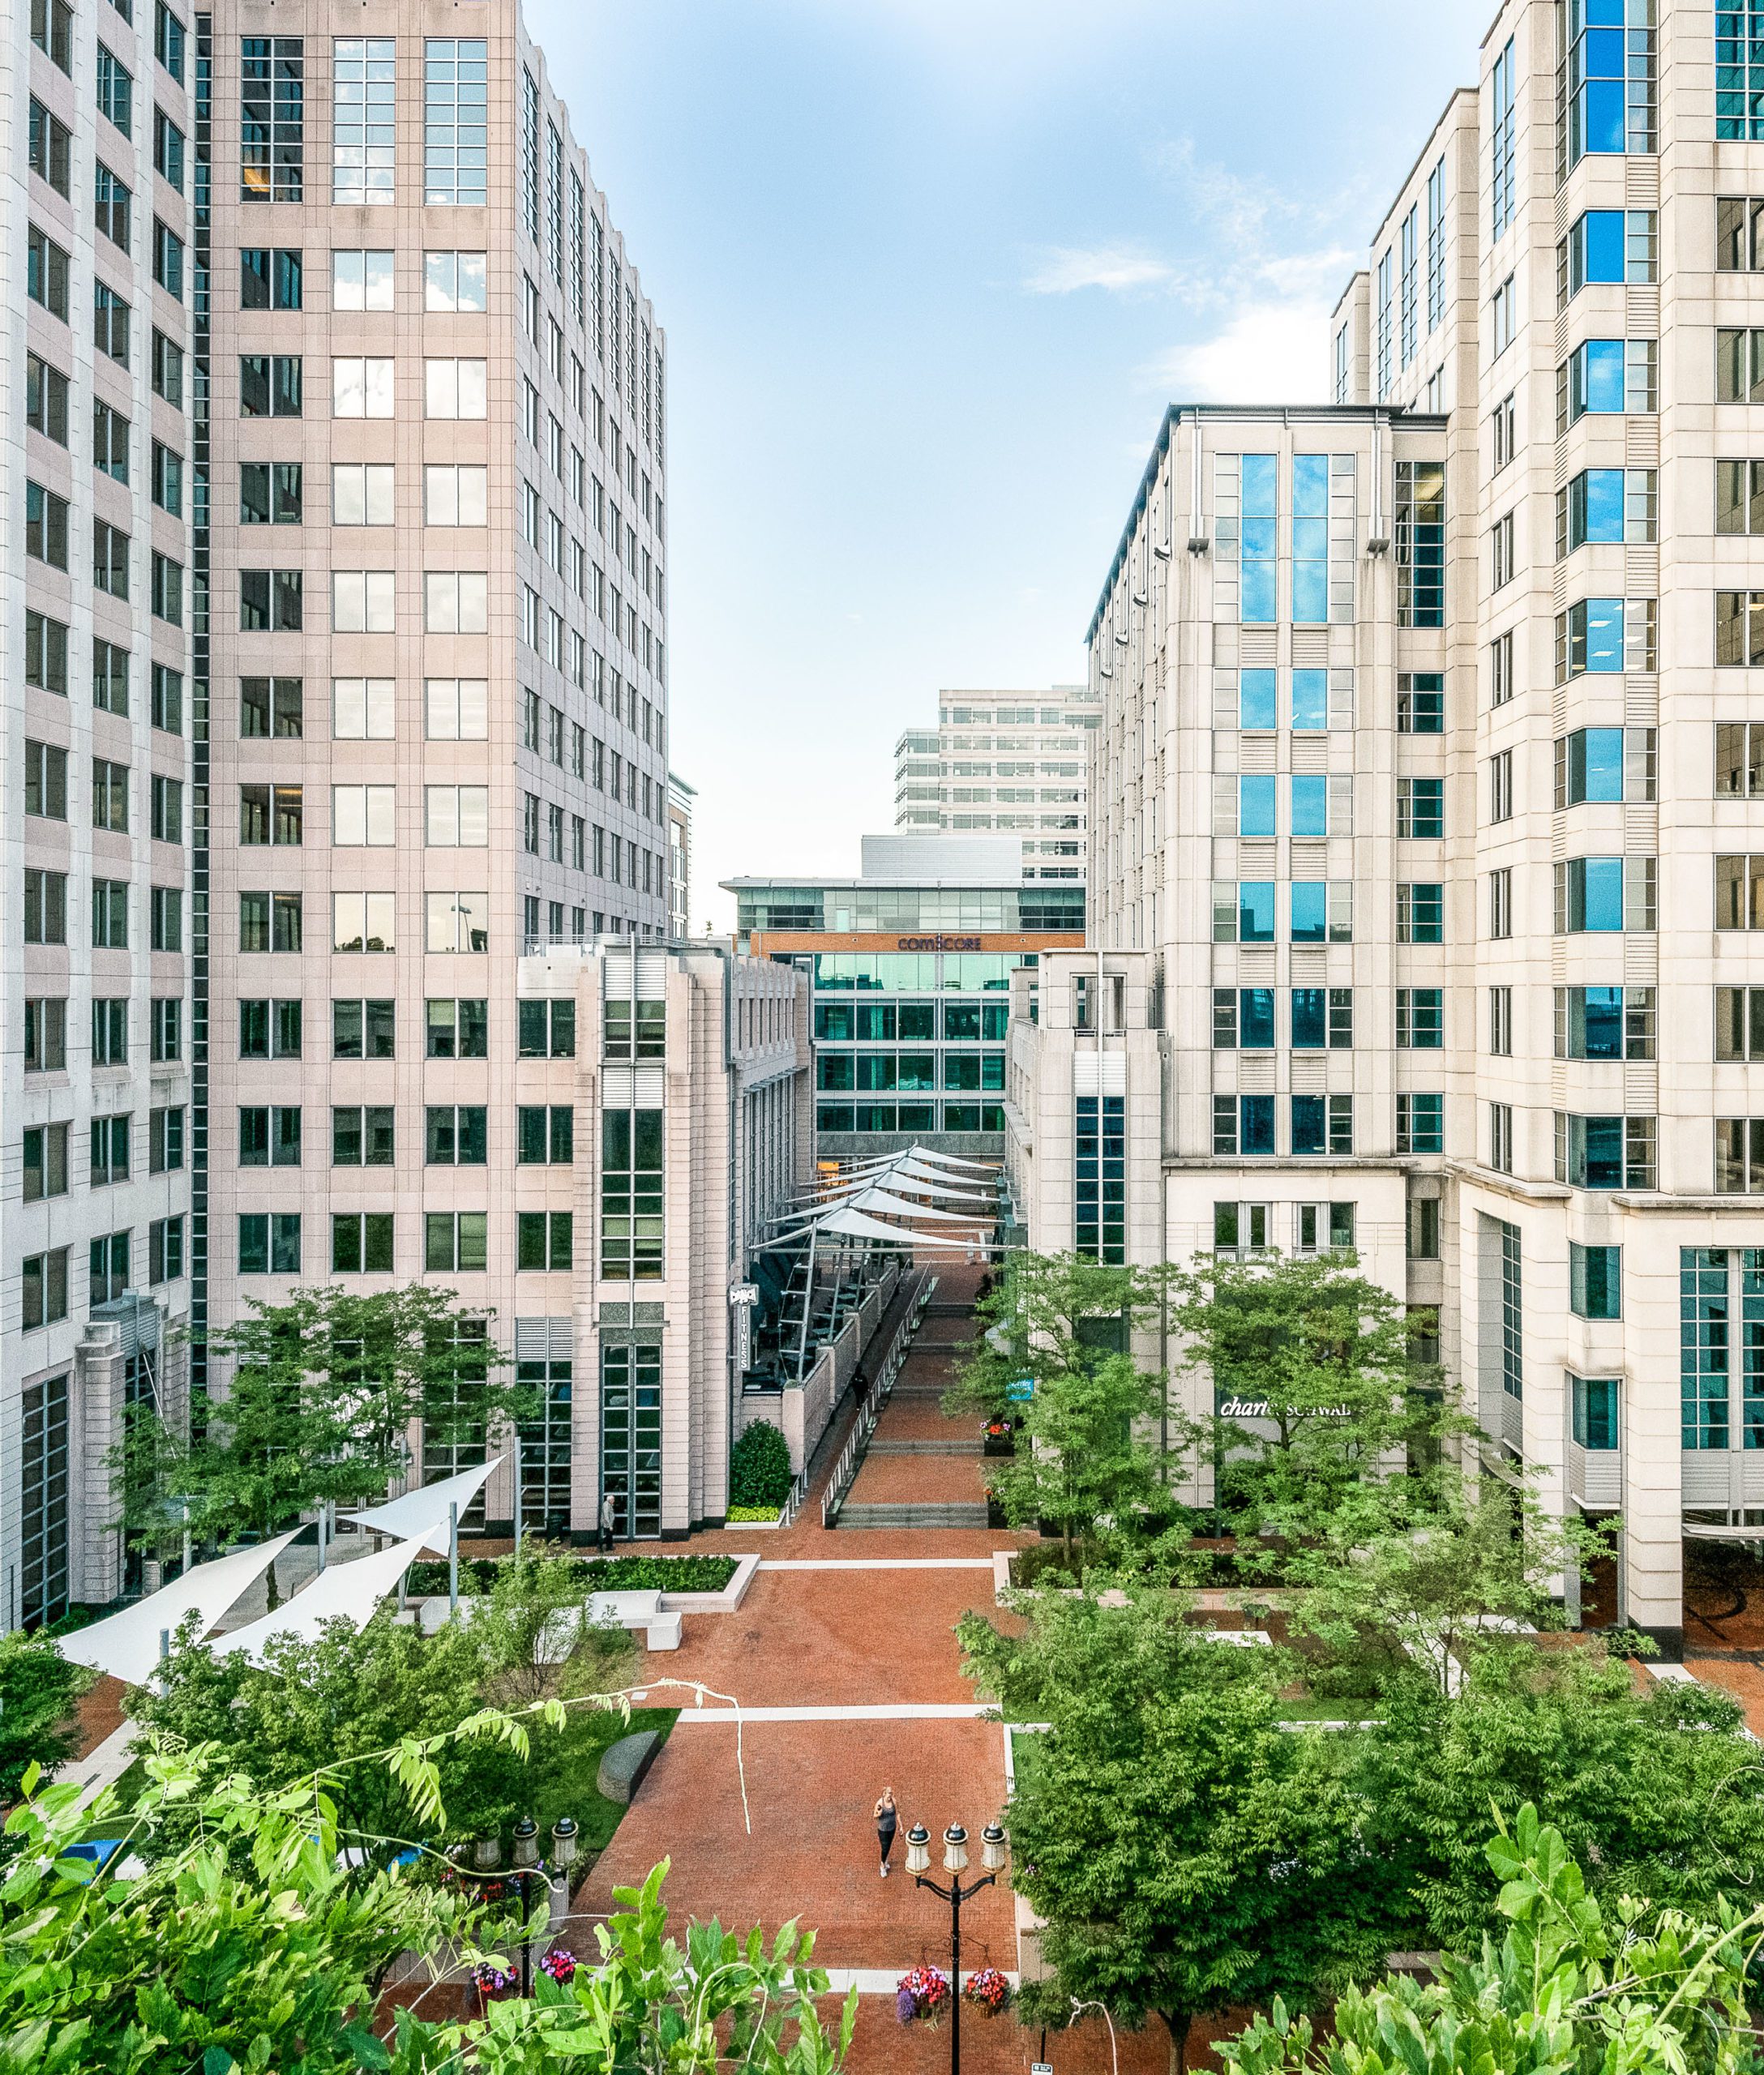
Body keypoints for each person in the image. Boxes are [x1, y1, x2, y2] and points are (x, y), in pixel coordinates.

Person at [875, 1788, 898, 1878]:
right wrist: (879, 1814)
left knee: (888, 1845)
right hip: (883, 1829)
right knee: (885, 1847)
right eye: (889, 1793)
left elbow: (898, 1813)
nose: (890, 1796)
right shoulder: (880, 1803)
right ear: (884, 1793)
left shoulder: (894, 1801)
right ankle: (882, 1866)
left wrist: (901, 1826)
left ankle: (885, 1860)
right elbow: (874, 1815)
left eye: (891, 1793)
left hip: (892, 1828)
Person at [599, 1490, 618, 1554]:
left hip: (609, 1523)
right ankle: (600, 1544)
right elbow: (606, 1516)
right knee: (608, 1535)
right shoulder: (606, 1505)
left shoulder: (609, 1504)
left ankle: (609, 1546)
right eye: (613, 1500)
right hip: (607, 1524)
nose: (614, 1501)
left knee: (609, 1535)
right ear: (610, 1500)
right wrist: (610, 1525)